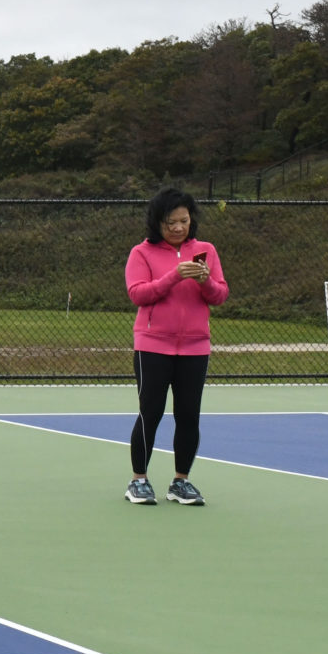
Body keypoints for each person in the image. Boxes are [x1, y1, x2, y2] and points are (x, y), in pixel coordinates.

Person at [123, 187, 228, 506]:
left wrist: (204, 280)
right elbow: (138, 294)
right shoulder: (140, 253)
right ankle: (138, 481)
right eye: (171, 222)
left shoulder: (206, 250)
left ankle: (181, 482)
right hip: (152, 346)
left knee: (188, 416)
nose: (179, 228)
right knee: (150, 413)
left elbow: (220, 295)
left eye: (184, 220)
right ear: (157, 223)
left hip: (195, 348)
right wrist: (174, 276)